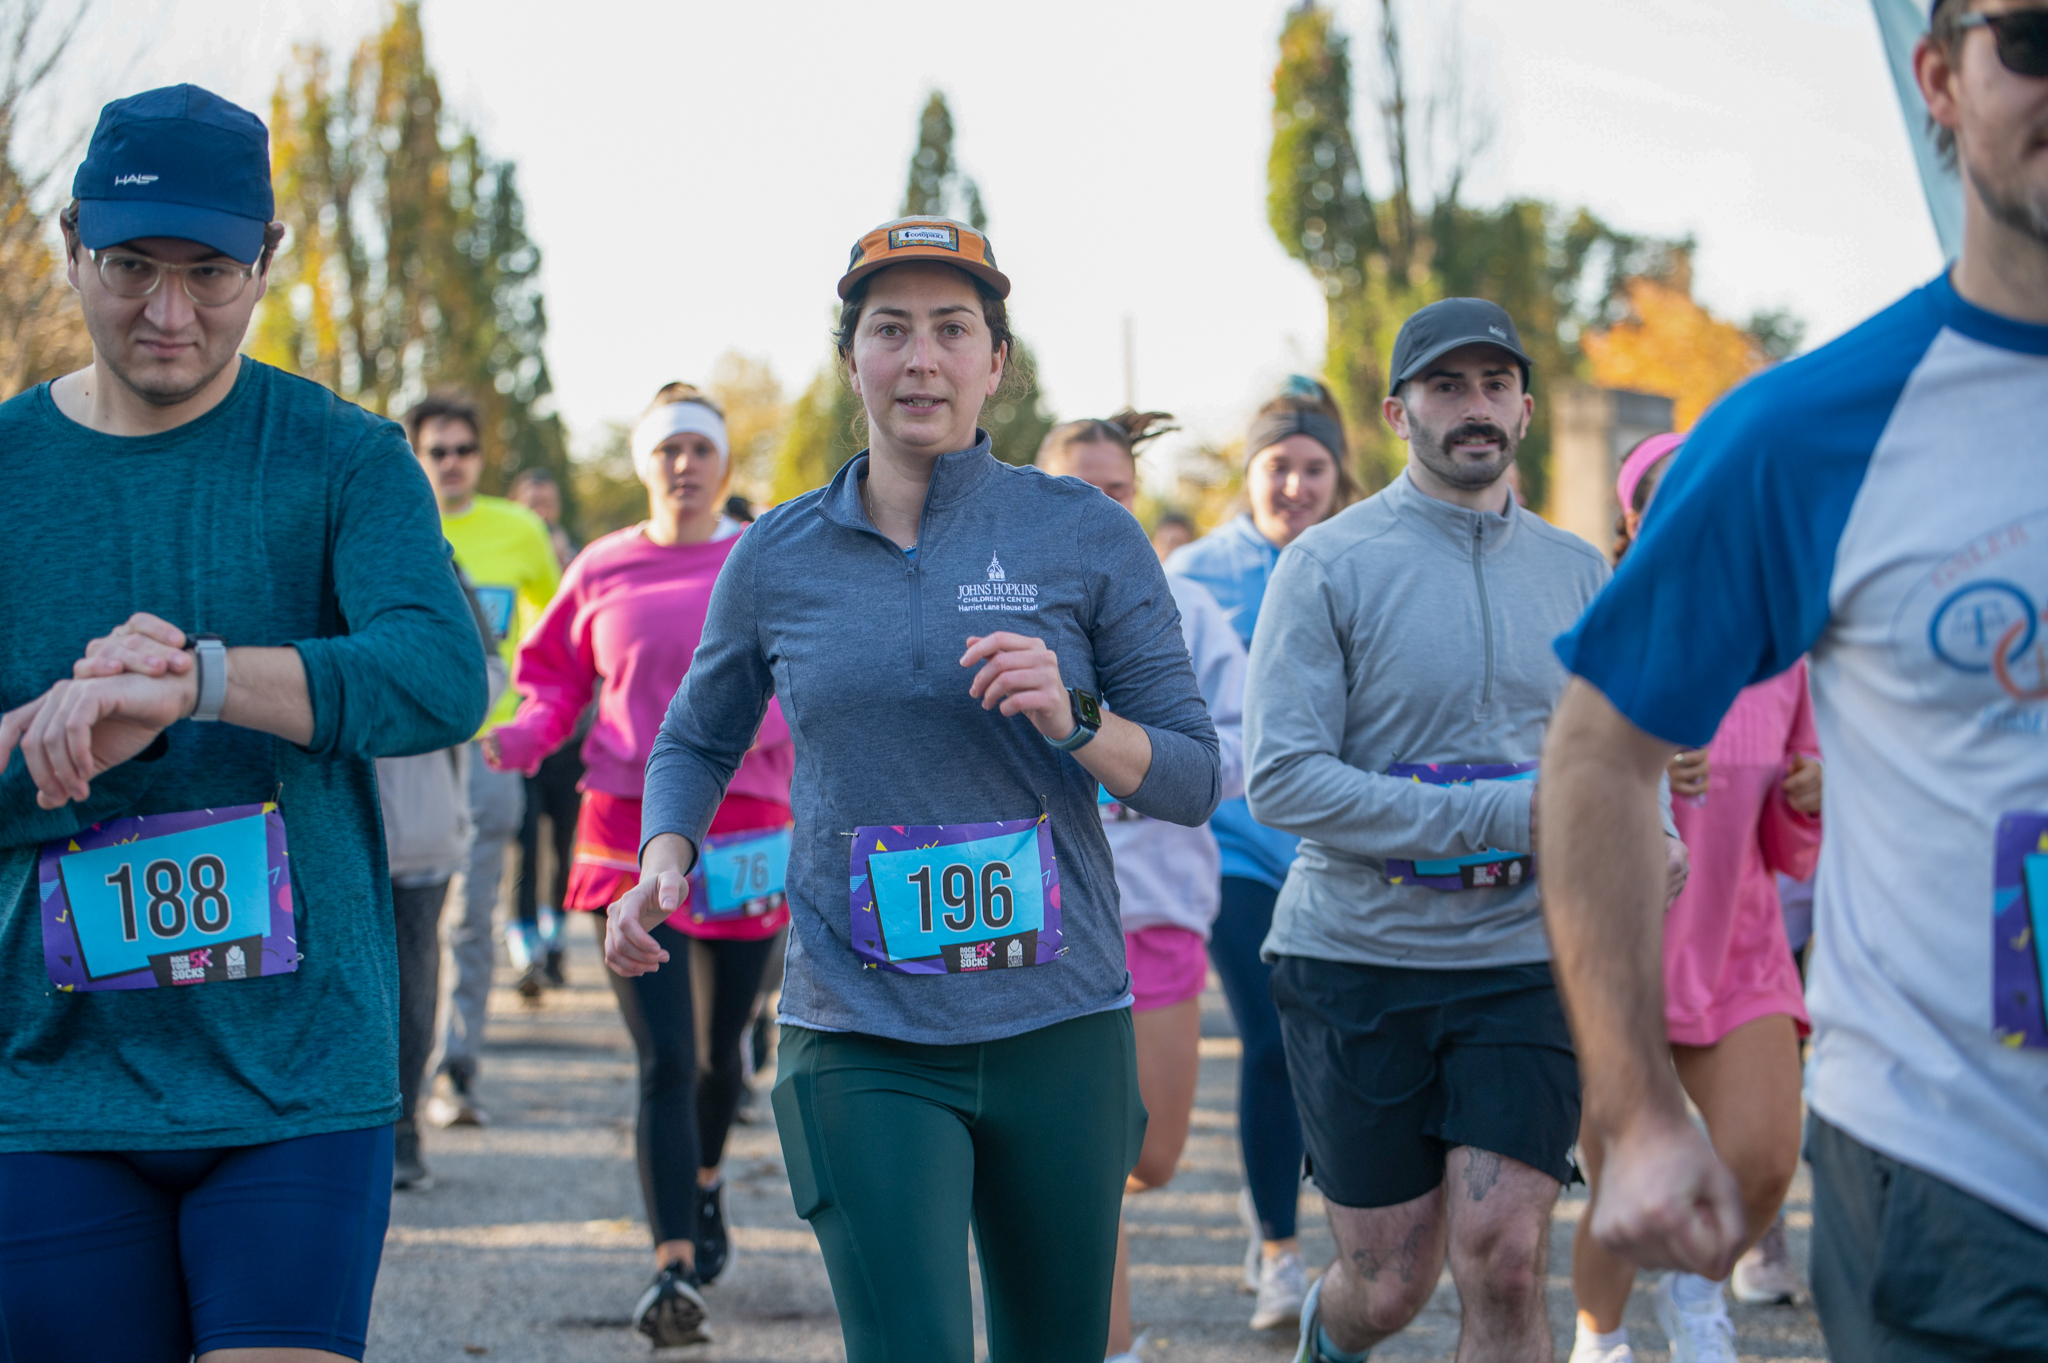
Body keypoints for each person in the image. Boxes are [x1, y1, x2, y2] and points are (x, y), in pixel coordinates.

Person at [603, 216, 1222, 1363]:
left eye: (952, 329)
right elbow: (695, 736)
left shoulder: (1082, 534)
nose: (920, 358)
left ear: (997, 362)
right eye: (890, 330)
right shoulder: (776, 554)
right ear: (854, 363)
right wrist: (664, 857)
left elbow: (1190, 776)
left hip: (1059, 1020)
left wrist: (1074, 718)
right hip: (860, 1027)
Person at [1543, 3, 2048, 1356]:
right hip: (1966, 1178)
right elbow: (1596, 752)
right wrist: (1639, 1107)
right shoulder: (1808, 432)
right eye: (2038, 36)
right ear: (1940, 77)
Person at [0, 85, 487, 1361]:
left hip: (299, 1077)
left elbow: (440, 674)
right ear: (70, 246)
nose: (168, 314)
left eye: (209, 274)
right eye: (130, 270)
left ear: (266, 259)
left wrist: (198, 683)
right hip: (51, 1086)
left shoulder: (344, 458)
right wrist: (67, 742)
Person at [1244, 300, 1686, 1363]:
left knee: (1500, 1257)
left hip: (1521, 960)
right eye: (1445, 386)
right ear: (1397, 411)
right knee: (1387, 1284)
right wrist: (1496, 812)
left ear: (1524, 409)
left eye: (1492, 383)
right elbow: (1280, 779)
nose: (1472, 406)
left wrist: (1650, 834)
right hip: (1356, 958)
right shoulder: (1326, 564)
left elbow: (1619, 749)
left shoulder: (1579, 572)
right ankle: (1325, 1340)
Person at [484, 382, 796, 1346]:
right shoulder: (603, 565)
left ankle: (705, 1179)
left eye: (701, 449)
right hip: (625, 826)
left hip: (746, 826)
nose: (685, 465)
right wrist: (526, 733)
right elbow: (552, 674)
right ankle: (670, 1265)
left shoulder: (762, 560)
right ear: (644, 463)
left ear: (724, 466)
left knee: (722, 1056)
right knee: (665, 1054)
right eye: (668, 449)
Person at [1567, 435, 1824, 1363]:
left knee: (1763, 1160)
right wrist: (1641, 765)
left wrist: (1811, 788)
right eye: (1663, 495)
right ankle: (1602, 1339)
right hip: (1624, 951)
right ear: (1633, 519)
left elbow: (1787, 834)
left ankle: (1699, 1288)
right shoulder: (1602, 623)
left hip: (1739, 938)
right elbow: (1561, 781)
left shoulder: (1780, 642)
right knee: (1626, 1188)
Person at [1034, 411, 1248, 1363]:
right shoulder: (997, 604)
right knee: (1088, 1164)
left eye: (1115, 488)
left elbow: (1239, 750)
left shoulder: (1187, 612)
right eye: (1076, 487)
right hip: (1039, 921)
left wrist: (1126, 746)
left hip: (1155, 911)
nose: (1097, 505)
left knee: (1147, 1157)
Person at [1165, 373, 1358, 1328]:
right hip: (1234, 848)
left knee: (1331, 1043)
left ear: (1337, 475)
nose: (1295, 485)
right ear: (1249, 474)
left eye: (1313, 467)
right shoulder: (1195, 574)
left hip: (1336, 850)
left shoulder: (1362, 559)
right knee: (1272, 1035)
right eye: (1277, 466)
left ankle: (1274, 1193)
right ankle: (1281, 1250)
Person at [406, 391, 561, 1126]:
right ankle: (398, 1070)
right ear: (417, 456)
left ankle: (454, 1067)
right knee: (410, 914)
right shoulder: (393, 521)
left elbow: (559, 623)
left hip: (491, 745)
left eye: (463, 449)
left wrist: (530, 704)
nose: (452, 464)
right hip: (408, 747)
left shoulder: (519, 529)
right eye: (437, 451)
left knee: (470, 914)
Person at [377, 572, 506, 1193]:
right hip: (308, 824)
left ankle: (403, 1128)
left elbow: (485, 680)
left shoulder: (437, 565)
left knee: (411, 970)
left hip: (414, 824)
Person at [509, 467, 578, 569]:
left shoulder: (574, 557)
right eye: (533, 505)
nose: (542, 514)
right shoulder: (498, 551)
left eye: (549, 505)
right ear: (513, 503)